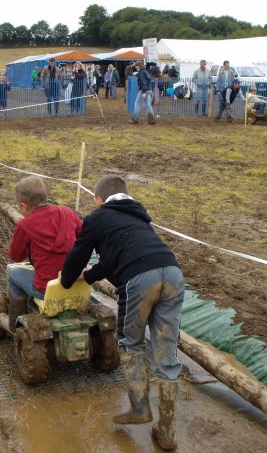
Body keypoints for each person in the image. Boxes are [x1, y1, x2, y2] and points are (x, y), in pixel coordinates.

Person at [60, 175, 184, 451]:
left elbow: (79, 255)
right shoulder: (140, 217)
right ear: (127, 195)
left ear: (97, 200)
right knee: (166, 354)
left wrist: (68, 280)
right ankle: (167, 433)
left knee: (131, 343)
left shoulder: (97, 218)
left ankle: (140, 408)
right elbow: (116, 256)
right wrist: (90, 275)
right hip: (173, 275)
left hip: (140, 280)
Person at [7, 176, 83, 330]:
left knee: (13, 275)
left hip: (46, 288)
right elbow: (84, 238)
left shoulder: (25, 225)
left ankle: (15, 324)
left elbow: (15, 257)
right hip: (76, 283)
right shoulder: (68, 213)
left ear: (23, 206)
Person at [130, 61, 156, 125]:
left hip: (144, 90)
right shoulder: (145, 71)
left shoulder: (141, 72)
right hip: (148, 90)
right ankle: (151, 120)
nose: (135, 67)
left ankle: (135, 120)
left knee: (137, 103)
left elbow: (143, 82)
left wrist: (144, 92)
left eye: (136, 66)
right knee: (148, 105)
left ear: (139, 66)